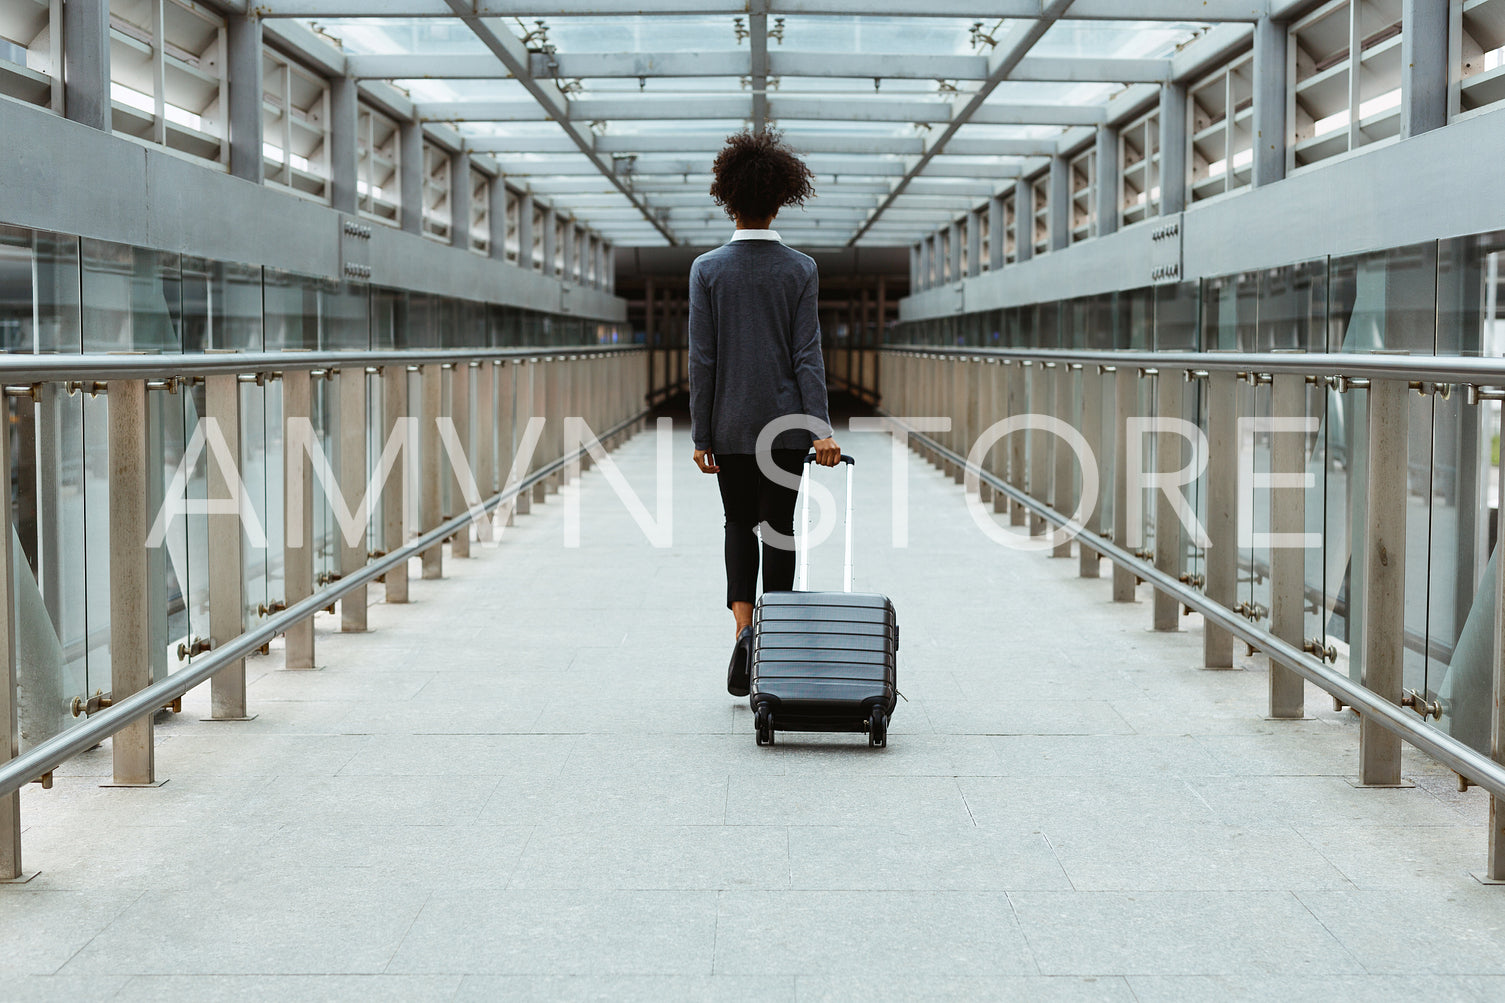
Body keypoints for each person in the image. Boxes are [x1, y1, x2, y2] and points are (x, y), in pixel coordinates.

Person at [688, 130, 842, 698]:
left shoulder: (706, 269)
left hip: (728, 425)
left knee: (737, 523)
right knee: (779, 528)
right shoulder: (800, 269)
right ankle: (774, 645)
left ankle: (742, 631)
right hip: (784, 429)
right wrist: (821, 428)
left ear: (728, 199)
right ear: (781, 199)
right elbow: (808, 356)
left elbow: (703, 359)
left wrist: (702, 431)